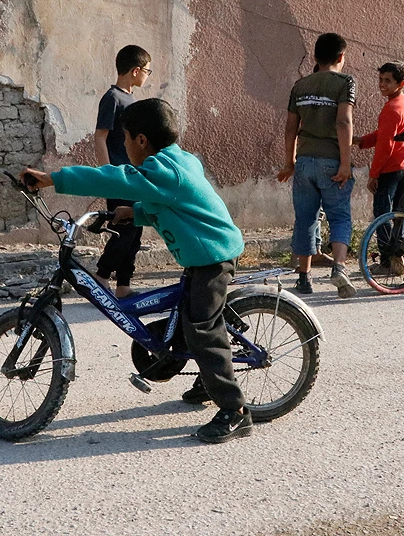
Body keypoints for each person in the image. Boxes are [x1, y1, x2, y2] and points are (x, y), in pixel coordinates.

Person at [21, 98, 252, 444]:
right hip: (203, 253)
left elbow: (113, 179)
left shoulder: (163, 170)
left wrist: (52, 179)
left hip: (213, 258)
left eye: (125, 138)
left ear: (141, 140)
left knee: (202, 327)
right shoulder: (176, 161)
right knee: (187, 319)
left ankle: (235, 411)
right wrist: (133, 213)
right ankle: (207, 378)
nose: (124, 146)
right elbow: (172, 203)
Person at [277, 33, 357, 298]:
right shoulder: (345, 83)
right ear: (341, 57)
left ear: (315, 57)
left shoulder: (300, 86)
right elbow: (343, 122)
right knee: (339, 215)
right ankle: (340, 268)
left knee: (306, 218)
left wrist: (290, 162)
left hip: (305, 163)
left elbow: (290, 129)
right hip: (332, 161)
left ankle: (304, 277)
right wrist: (345, 164)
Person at [93, 45, 151, 298]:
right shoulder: (113, 98)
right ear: (135, 70)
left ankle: (123, 285)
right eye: (147, 70)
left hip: (134, 177)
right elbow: (99, 137)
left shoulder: (131, 99)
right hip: (119, 178)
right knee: (123, 230)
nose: (148, 75)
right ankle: (101, 276)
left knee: (135, 230)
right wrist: (108, 174)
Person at [353, 61, 404, 276]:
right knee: (400, 215)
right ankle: (396, 260)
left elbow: (385, 145)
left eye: (387, 81)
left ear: (401, 83)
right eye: (381, 80)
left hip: (392, 169)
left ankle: (387, 261)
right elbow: (386, 135)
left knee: (382, 214)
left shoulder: (391, 108)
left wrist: (373, 175)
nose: (382, 85)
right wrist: (361, 141)